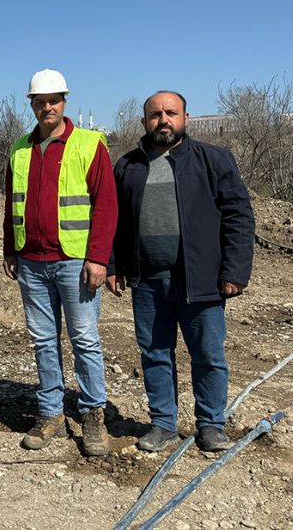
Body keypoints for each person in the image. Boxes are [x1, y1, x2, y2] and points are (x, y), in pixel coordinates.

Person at [108, 91, 254, 453]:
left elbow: (238, 216)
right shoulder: (127, 166)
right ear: (144, 122)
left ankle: (211, 425)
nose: (163, 120)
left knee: (207, 355)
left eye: (171, 113)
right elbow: (113, 222)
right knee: (155, 353)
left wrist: (234, 270)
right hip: (148, 281)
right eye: (155, 114)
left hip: (200, 279)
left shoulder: (212, 160)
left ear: (185, 118)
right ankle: (162, 424)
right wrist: (113, 265)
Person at [2, 68, 117, 457]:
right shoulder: (19, 148)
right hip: (31, 262)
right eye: (40, 101)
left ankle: (92, 414)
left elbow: (106, 206)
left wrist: (99, 258)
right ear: (32, 104)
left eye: (53, 100)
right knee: (43, 340)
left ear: (64, 101)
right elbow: (11, 204)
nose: (47, 106)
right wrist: (9, 249)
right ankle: (50, 412)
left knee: (85, 339)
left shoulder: (88, 144)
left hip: (75, 261)